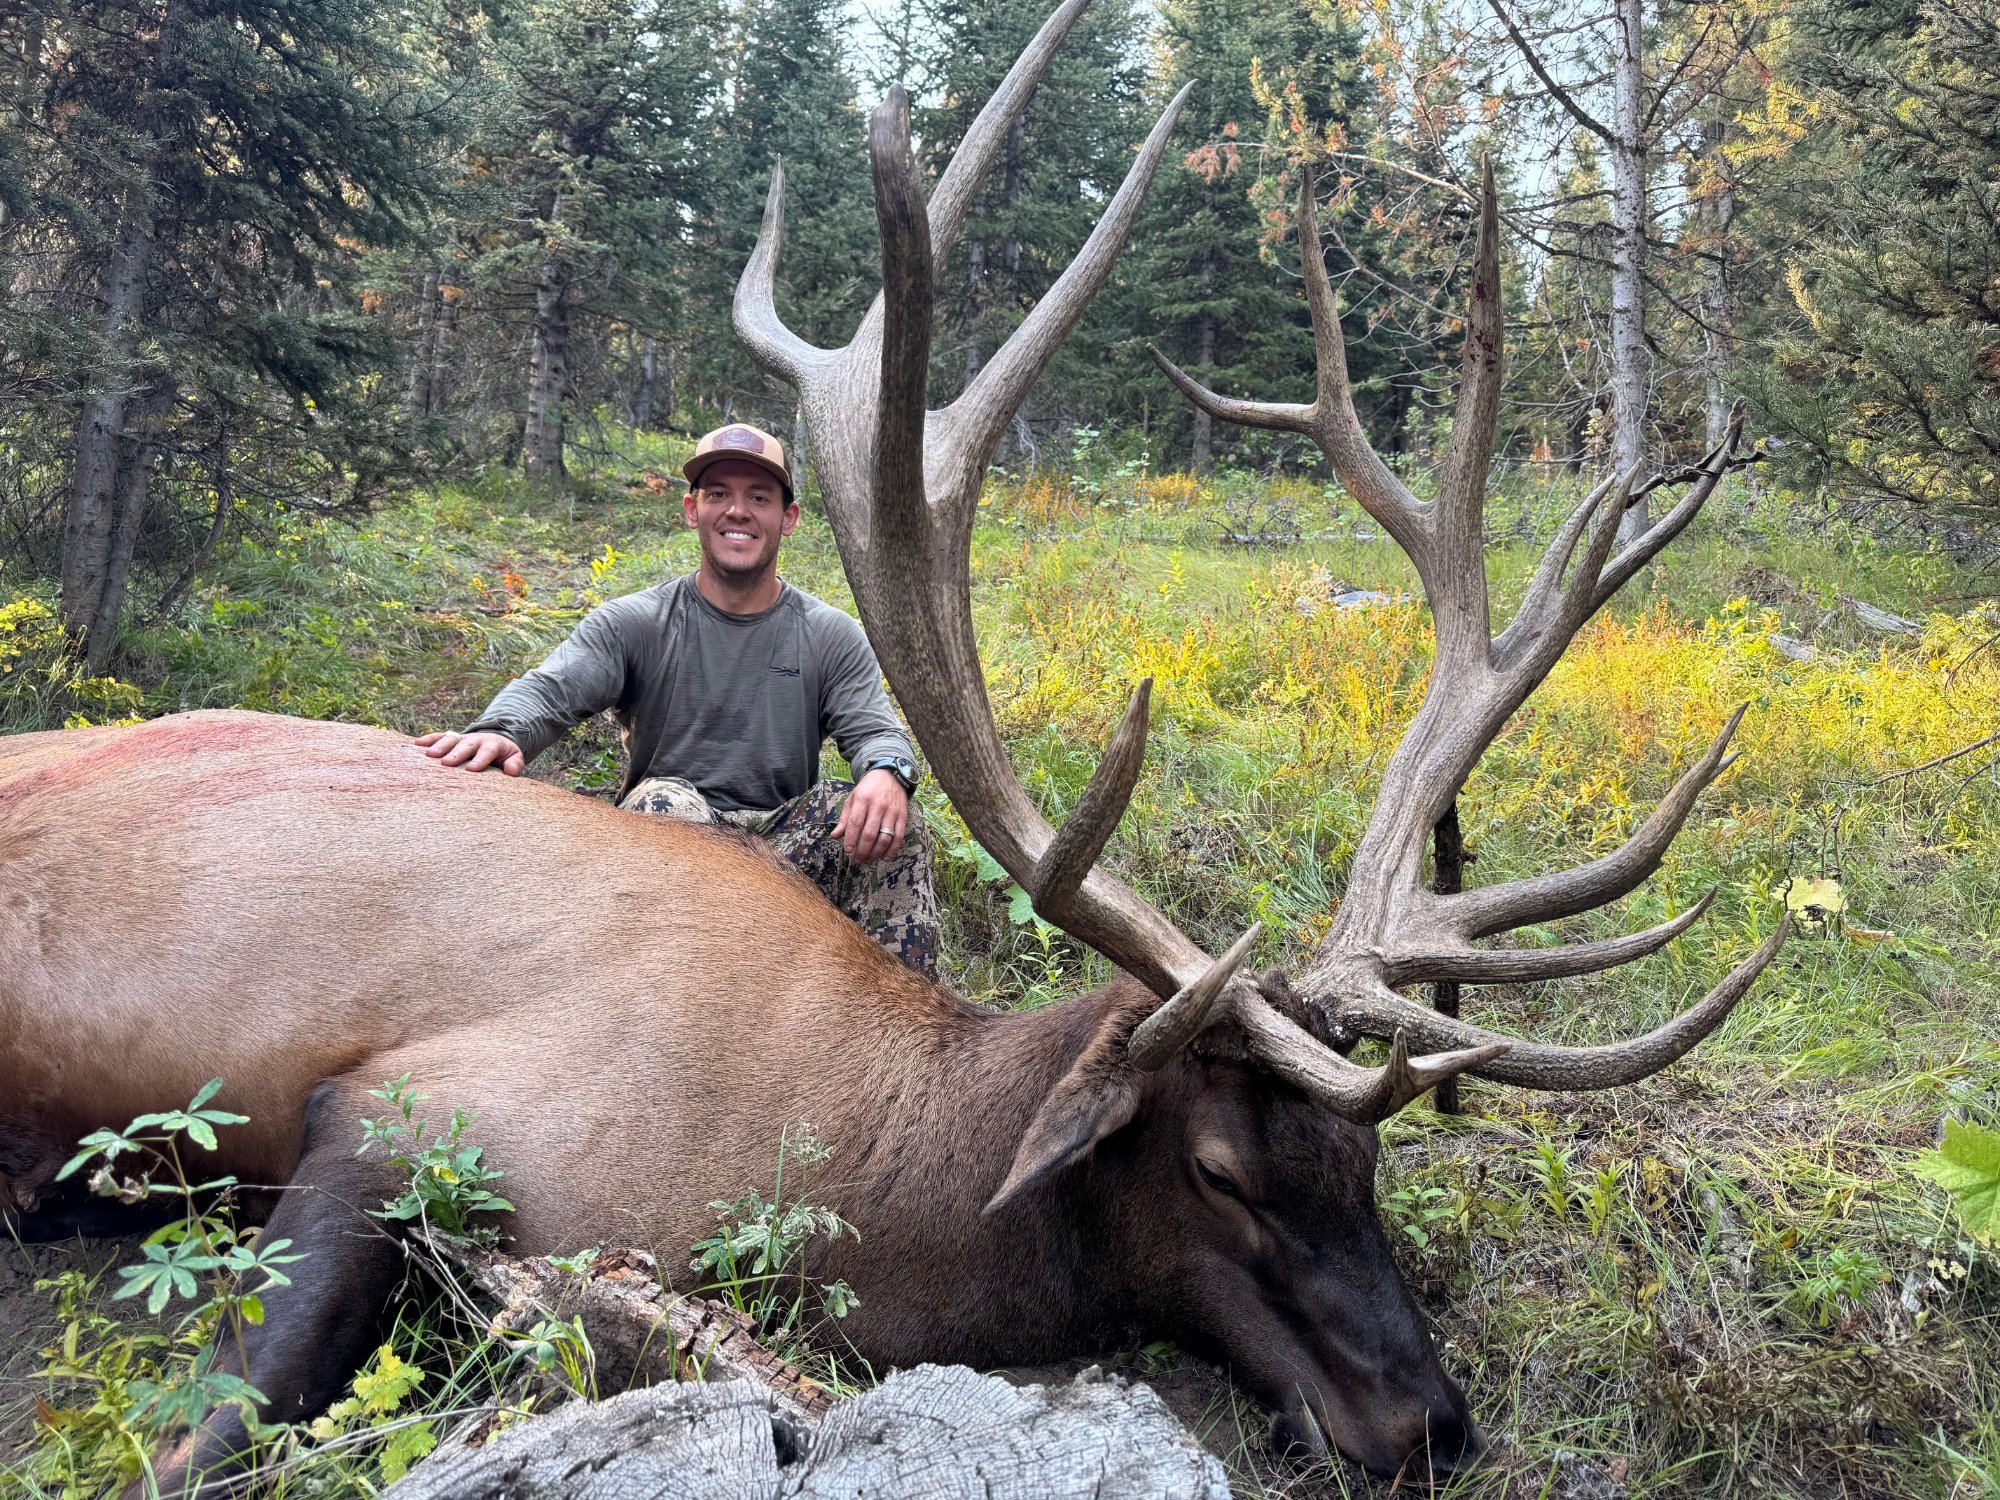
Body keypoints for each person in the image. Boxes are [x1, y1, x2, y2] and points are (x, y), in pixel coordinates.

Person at [415, 423, 940, 978]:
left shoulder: (828, 633)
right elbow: (551, 690)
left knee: (892, 819)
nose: (737, 511)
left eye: (759, 498)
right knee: (663, 801)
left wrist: (888, 772)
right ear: (693, 510)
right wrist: (500, 730)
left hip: (784, 855)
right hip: (667, 849)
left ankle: (904, 1019)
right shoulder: (636, 622)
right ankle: (664, 1000)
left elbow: (876, 732)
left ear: (788, 518)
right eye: (718, 494)